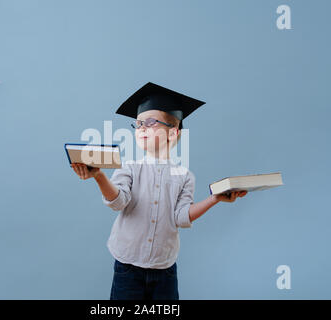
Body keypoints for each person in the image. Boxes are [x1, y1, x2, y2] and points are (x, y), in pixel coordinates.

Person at [71, 82, 248, 300]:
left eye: (150, 122)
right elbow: (118, 202)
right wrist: (98, 176)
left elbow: (181, 217)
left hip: (165, 270)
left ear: (173, 133)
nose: (142, 128)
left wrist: (214, 199)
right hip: (127, 268)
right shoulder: (129, 167)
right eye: (138, 124)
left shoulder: (184, 176)